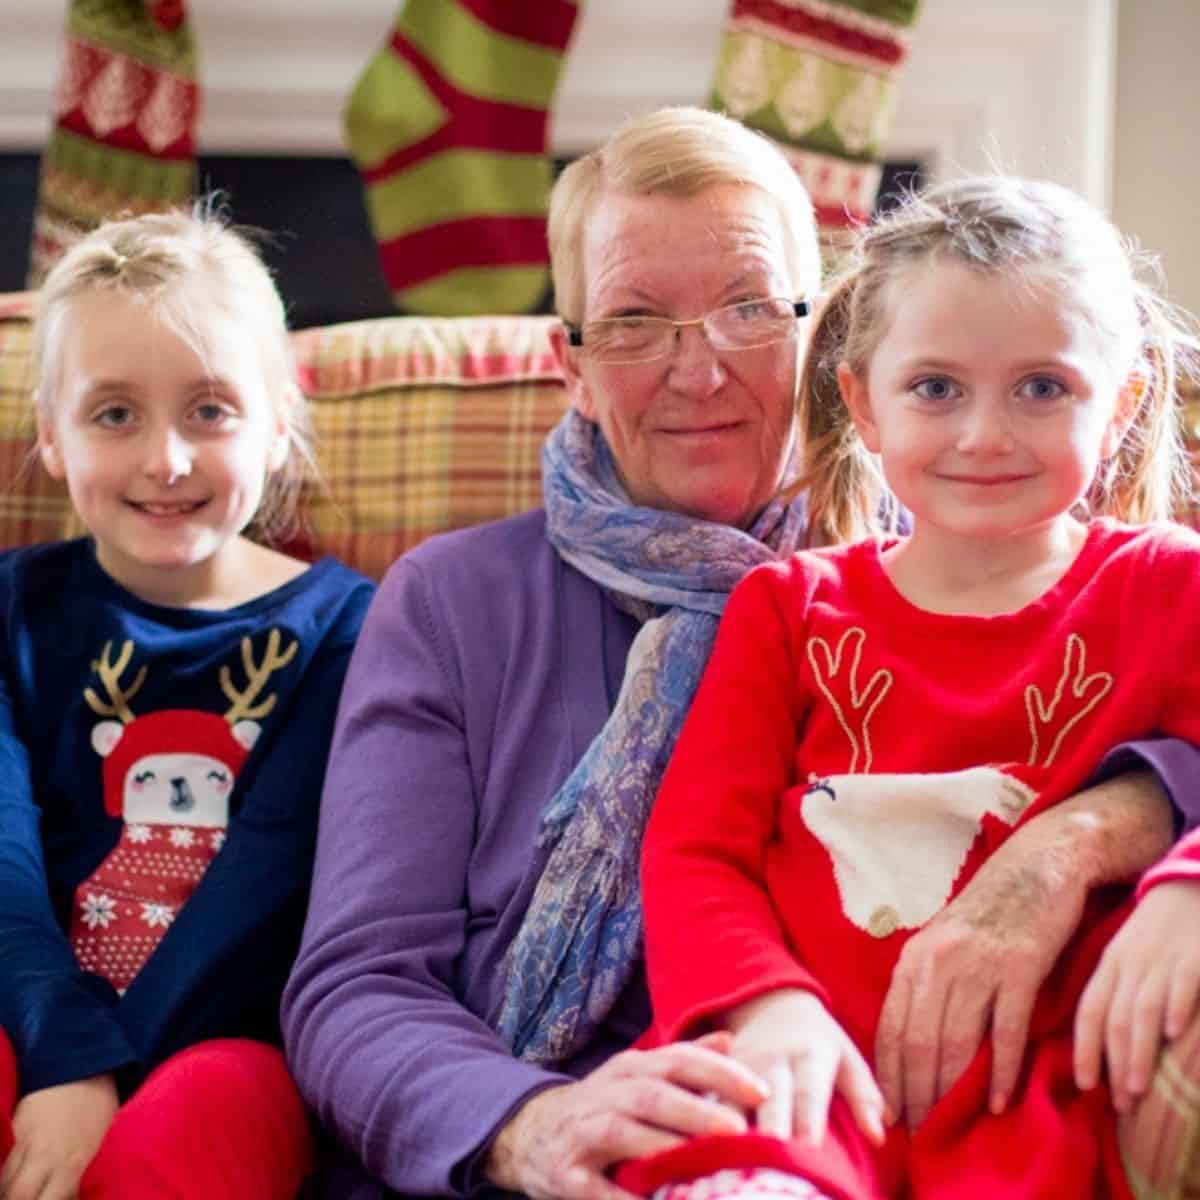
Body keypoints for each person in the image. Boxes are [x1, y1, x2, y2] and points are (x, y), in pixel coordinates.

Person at [281, 110, 1189, 1200]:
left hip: (933, 1115)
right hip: (599, 1127)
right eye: (632, 321)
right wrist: (530, 1123)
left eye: (749, 309)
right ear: (568, 363)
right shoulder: (455, 602)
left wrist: (1097, 832)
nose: (698, 371)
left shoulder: (974, 542)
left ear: (823, 343)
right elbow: (357, 984)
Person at [618, 176, 1200, 1200]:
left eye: (1043, 387)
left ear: (1124, 404)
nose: (984, 435)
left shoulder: (1166, 585)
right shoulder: (789, 608)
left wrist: (1183, 885)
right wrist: (765, 1009)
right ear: (862, 405)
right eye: (936, 388)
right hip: (803, 1079)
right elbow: (696, 850)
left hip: (1036, 1098)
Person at [0, 207, 375, 1200]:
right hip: (28, 1011)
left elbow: (263, 886)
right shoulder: (10, 611)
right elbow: (3, 856)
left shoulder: (355, 633)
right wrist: (61, 1054)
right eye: (114, 413)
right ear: (51, 433)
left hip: (234, 1044)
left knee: (185, 1135)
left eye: (209, 410)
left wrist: (104, 1081)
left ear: (277, 421)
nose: (166, 460)